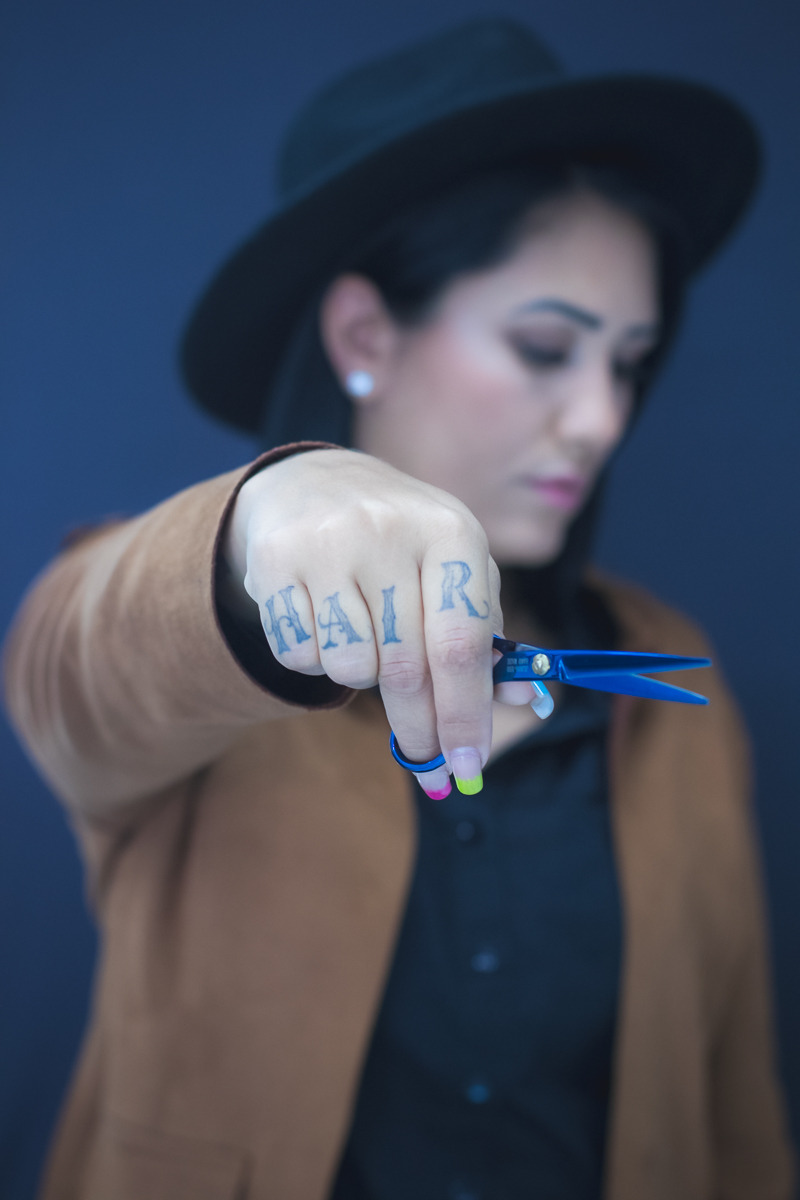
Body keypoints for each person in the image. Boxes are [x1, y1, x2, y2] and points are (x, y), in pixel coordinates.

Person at [3, 16, 794, 1200]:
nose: (601, 418)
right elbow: (73, 667)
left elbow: (733, 1119)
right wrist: (258, 522)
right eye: (544, 347)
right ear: (365, 335)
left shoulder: (670, 672)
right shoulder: (193, 640)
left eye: (626, 361)